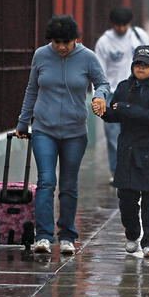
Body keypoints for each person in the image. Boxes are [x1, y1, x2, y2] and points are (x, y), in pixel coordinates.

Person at [15, 15, 110, 254]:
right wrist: (23, 122)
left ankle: (67, 235)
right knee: (46, 181)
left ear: (75, 39)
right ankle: (44, 236)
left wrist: (99, 96)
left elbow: (103, 83)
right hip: (43, 129)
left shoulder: (87, 57)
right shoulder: (41, 55)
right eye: (57, 42)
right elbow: (32, 88)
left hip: (74, 132)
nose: (61, 47)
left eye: (66, 42)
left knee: (68, 185)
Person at [98, 45, 149, 258]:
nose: (141, 68)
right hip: (127, 149)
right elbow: (115, 113)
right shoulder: (123, 87)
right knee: (127, 199)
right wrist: (103, 111)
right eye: (138, 63)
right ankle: (132, 234)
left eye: (146, 65)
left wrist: (127, 109)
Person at [95, 7, 149, 181]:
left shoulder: (139, 36)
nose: (121, 29)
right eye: (118, 25)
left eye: (124, 25)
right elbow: (99, 71)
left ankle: (137, 167)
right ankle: (117, 171)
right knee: (114, 135)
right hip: (113, 94)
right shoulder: (104, 42)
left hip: (138, 92)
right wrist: (100, 96)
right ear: (112, 24)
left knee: (138, 131)